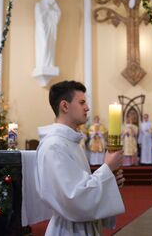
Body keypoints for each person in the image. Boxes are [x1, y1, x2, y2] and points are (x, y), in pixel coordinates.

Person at [36, 80, 125, 235]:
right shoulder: (54, 146)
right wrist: (107, 168)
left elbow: (82, 186)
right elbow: (74, 199)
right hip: (67, 230)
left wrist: (109, 183)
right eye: (82, 102)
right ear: (65, 106)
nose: (87, 108)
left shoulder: (71, 142)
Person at [33, 0, 61, 72]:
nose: (53, 1)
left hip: (51, 29)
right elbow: (39, 17)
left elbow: (58, 14)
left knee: (50, 45)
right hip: (42, 29)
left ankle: (50, 64)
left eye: (54, 0)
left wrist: (54, 6)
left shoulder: (51, 7)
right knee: (44, 44)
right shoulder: (39, 5)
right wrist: (47, 11)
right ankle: (42, 64)